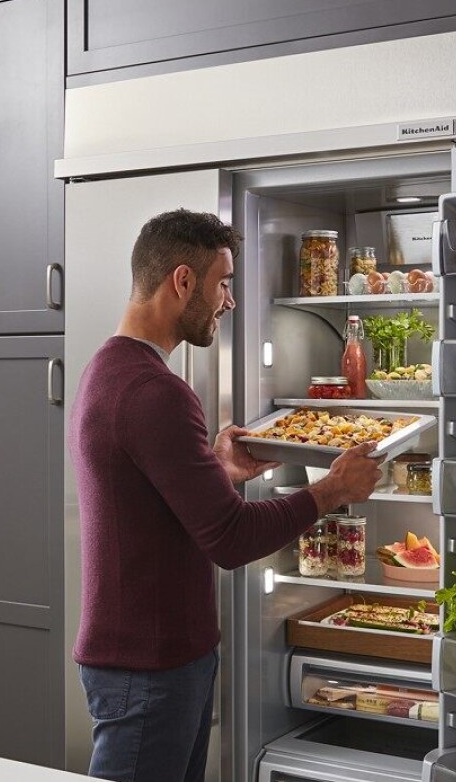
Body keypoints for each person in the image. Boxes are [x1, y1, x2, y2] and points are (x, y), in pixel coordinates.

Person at [69, 209, 381, 782]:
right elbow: (232, 539)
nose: (229, 301)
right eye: (224, 283)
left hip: (148, 657)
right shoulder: (156, 391)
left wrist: (216, 469)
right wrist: (332, 490)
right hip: (149, 666)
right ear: (183, 281)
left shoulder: (108, 370)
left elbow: (144, 497)